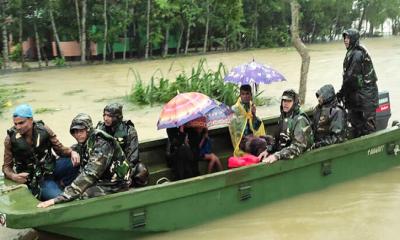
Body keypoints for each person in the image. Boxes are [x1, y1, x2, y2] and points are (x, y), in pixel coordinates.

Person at [37, 113, 132, 208]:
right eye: (75, 131)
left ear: (88, 129)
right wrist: (72, 152)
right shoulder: (85, 141)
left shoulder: (102, 144)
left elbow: (90, 173)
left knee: (78, 199)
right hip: (101, 178)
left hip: (115, 183)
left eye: (81, 131)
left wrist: (60, 198)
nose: (78, 135)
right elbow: (69, 151)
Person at [2, 104, 80, 200]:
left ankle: (61, 184)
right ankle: (50, 190)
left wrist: (72, 152)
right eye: (15, 124)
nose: (18, 127)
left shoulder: (44, 129)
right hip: (35, 179)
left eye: (21, 123)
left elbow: (60, 150)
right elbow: (6, 167)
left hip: (51, 169)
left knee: (76, 160)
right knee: (59, 198)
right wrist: (14, 176)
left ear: (31, 120)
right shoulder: (10, 139)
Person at [337, 28, 379, 138]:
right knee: (357, 128)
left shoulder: (357, 54)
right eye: (344, 38)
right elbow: (349, 78)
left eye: (348, 38)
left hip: (365, 99)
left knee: (368, 130)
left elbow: (351, 78)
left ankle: (372, 152)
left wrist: (340, 94)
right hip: (358, 98)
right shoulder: (352, 52)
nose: (345, 40)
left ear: (354, 39)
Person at [96, 103, 148, 187]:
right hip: (105, 164)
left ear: (118, 117)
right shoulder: (99, 130)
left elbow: (133, 156)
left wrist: (123, 170)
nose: (105, 118)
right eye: (104, 115)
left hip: (125, 163)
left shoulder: (129, 130)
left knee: (142, 170)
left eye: (109, 116)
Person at [258, 89, 313, 163]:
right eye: (284, 101)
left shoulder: (300, 120)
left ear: (295, 103)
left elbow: (298, 146)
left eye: (289, 101)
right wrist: (268, 150)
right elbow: (277, 140)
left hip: (298, 160)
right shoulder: (283, 117)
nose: (285, 103)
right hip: (284, 153)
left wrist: (277, 155)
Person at [229, 84, 266, 157]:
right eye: (243, 94)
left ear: (251, 95)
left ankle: (260, 161)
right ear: (240, 95)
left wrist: (253, 114)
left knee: (269, 140)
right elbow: (234, 130)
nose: (245, 96)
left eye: (247, 94)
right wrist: (243, 118)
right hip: (242, 141)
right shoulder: (234, 109)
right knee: (261, 143)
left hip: (253, 137)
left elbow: (256, 127)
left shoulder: (251, 106)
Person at [312, 84, 347, 148]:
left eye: (321, 97)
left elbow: (337, 137)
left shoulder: (337, 111)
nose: (319, 99)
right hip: (317, 141)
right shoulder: (318, 108)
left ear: (327, 97)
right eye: (318, 97)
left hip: (327, 147)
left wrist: (319, 144)